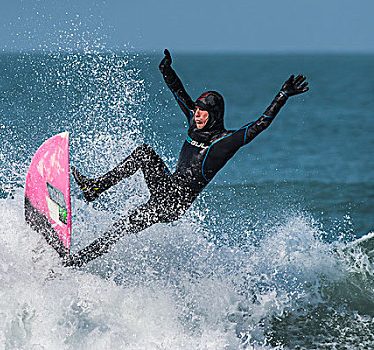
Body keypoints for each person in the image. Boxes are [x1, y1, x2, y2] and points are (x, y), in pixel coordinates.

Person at [63, 49, 309, 267]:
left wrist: (282, 95)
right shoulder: (195, 124)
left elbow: (258, 126)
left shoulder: (223, 142)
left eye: (203, 111)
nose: (198, 114)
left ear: (215, 114)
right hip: (165, 193)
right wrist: (166, 71)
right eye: (198, 110)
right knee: (118, 229)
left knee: (145, 155)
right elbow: (179, 94)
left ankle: (94, 189)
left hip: (175, 202)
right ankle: (75, 261)